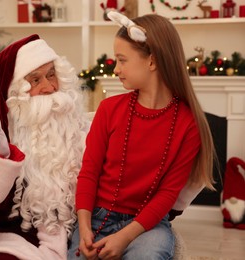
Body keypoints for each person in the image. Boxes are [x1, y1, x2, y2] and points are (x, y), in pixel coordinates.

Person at [67, 11, 216, 260]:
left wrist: (125, 236)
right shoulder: (109, 109)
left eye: (122, 60)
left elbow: (168, 194)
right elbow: (89, 172)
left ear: (152, 61)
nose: (116, 69)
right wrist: (83, 228)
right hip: (96, 218)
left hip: (147, 226)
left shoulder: (189, 124)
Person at [0, 34, 90, 259]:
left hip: (83, 237)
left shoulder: (86, 134)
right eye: (35, 80)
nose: (50, 87)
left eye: (52, 75)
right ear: (13, 94)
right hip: (17, 244)